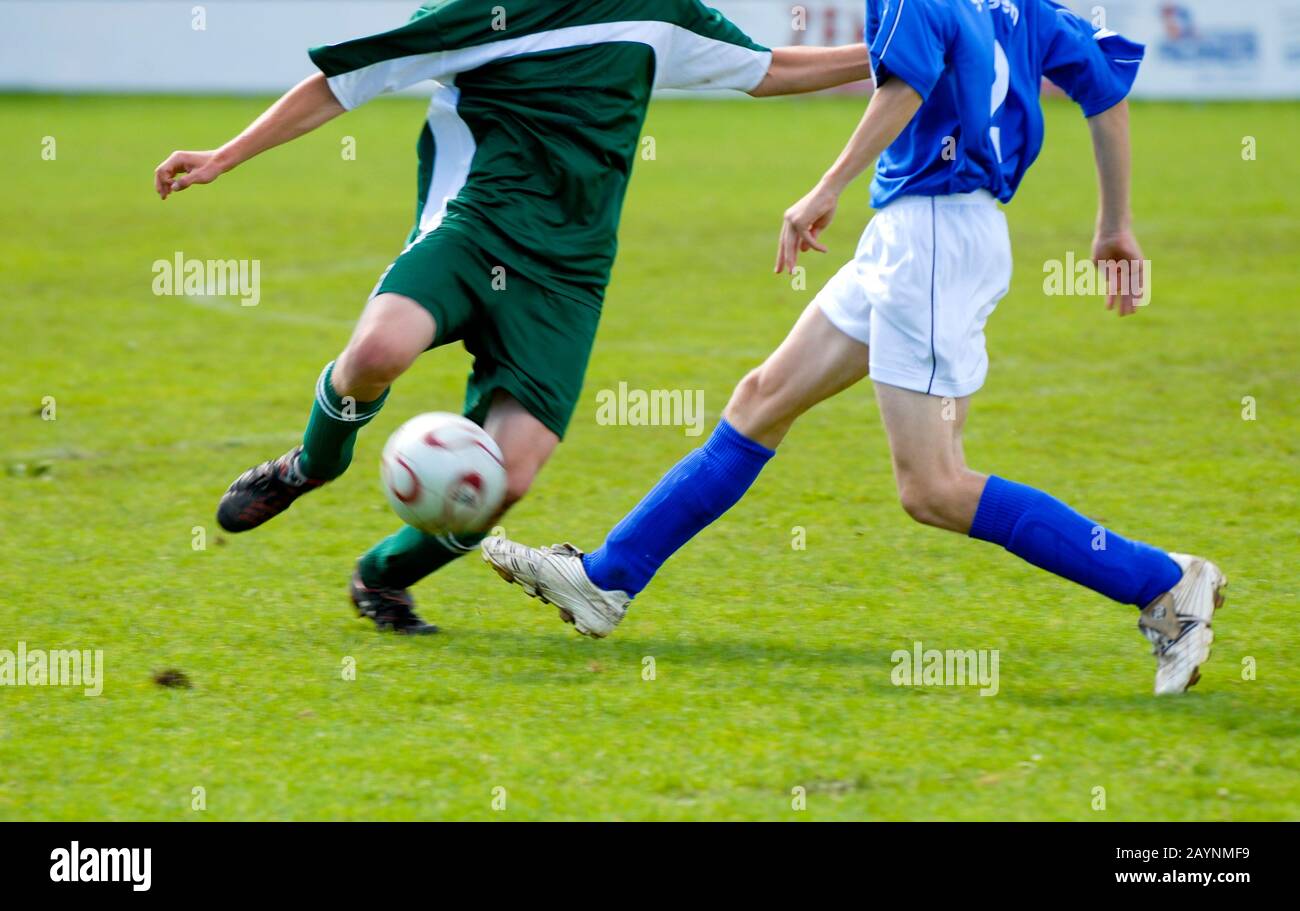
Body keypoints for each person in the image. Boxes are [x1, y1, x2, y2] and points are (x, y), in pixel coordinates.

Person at [482, 0, 1227, 695]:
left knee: (934, 485)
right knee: (763, 398)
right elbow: (1105, 85)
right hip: (925, 234)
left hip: (930, 237)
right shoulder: (1018, 6)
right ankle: (608, 578)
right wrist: (1113, 222)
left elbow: (909, 80)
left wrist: (826, 185)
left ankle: (1162, 583)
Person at [153, 1, 872, 633]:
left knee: (506, 479)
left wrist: (892, 52)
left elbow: (767, 68)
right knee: (378, 351)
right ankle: (310, 464)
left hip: (568, 277)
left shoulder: (658, 9)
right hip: (473, 228)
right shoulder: (481, 7)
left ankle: (384, 576)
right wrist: (226, 155)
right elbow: (342, 84)